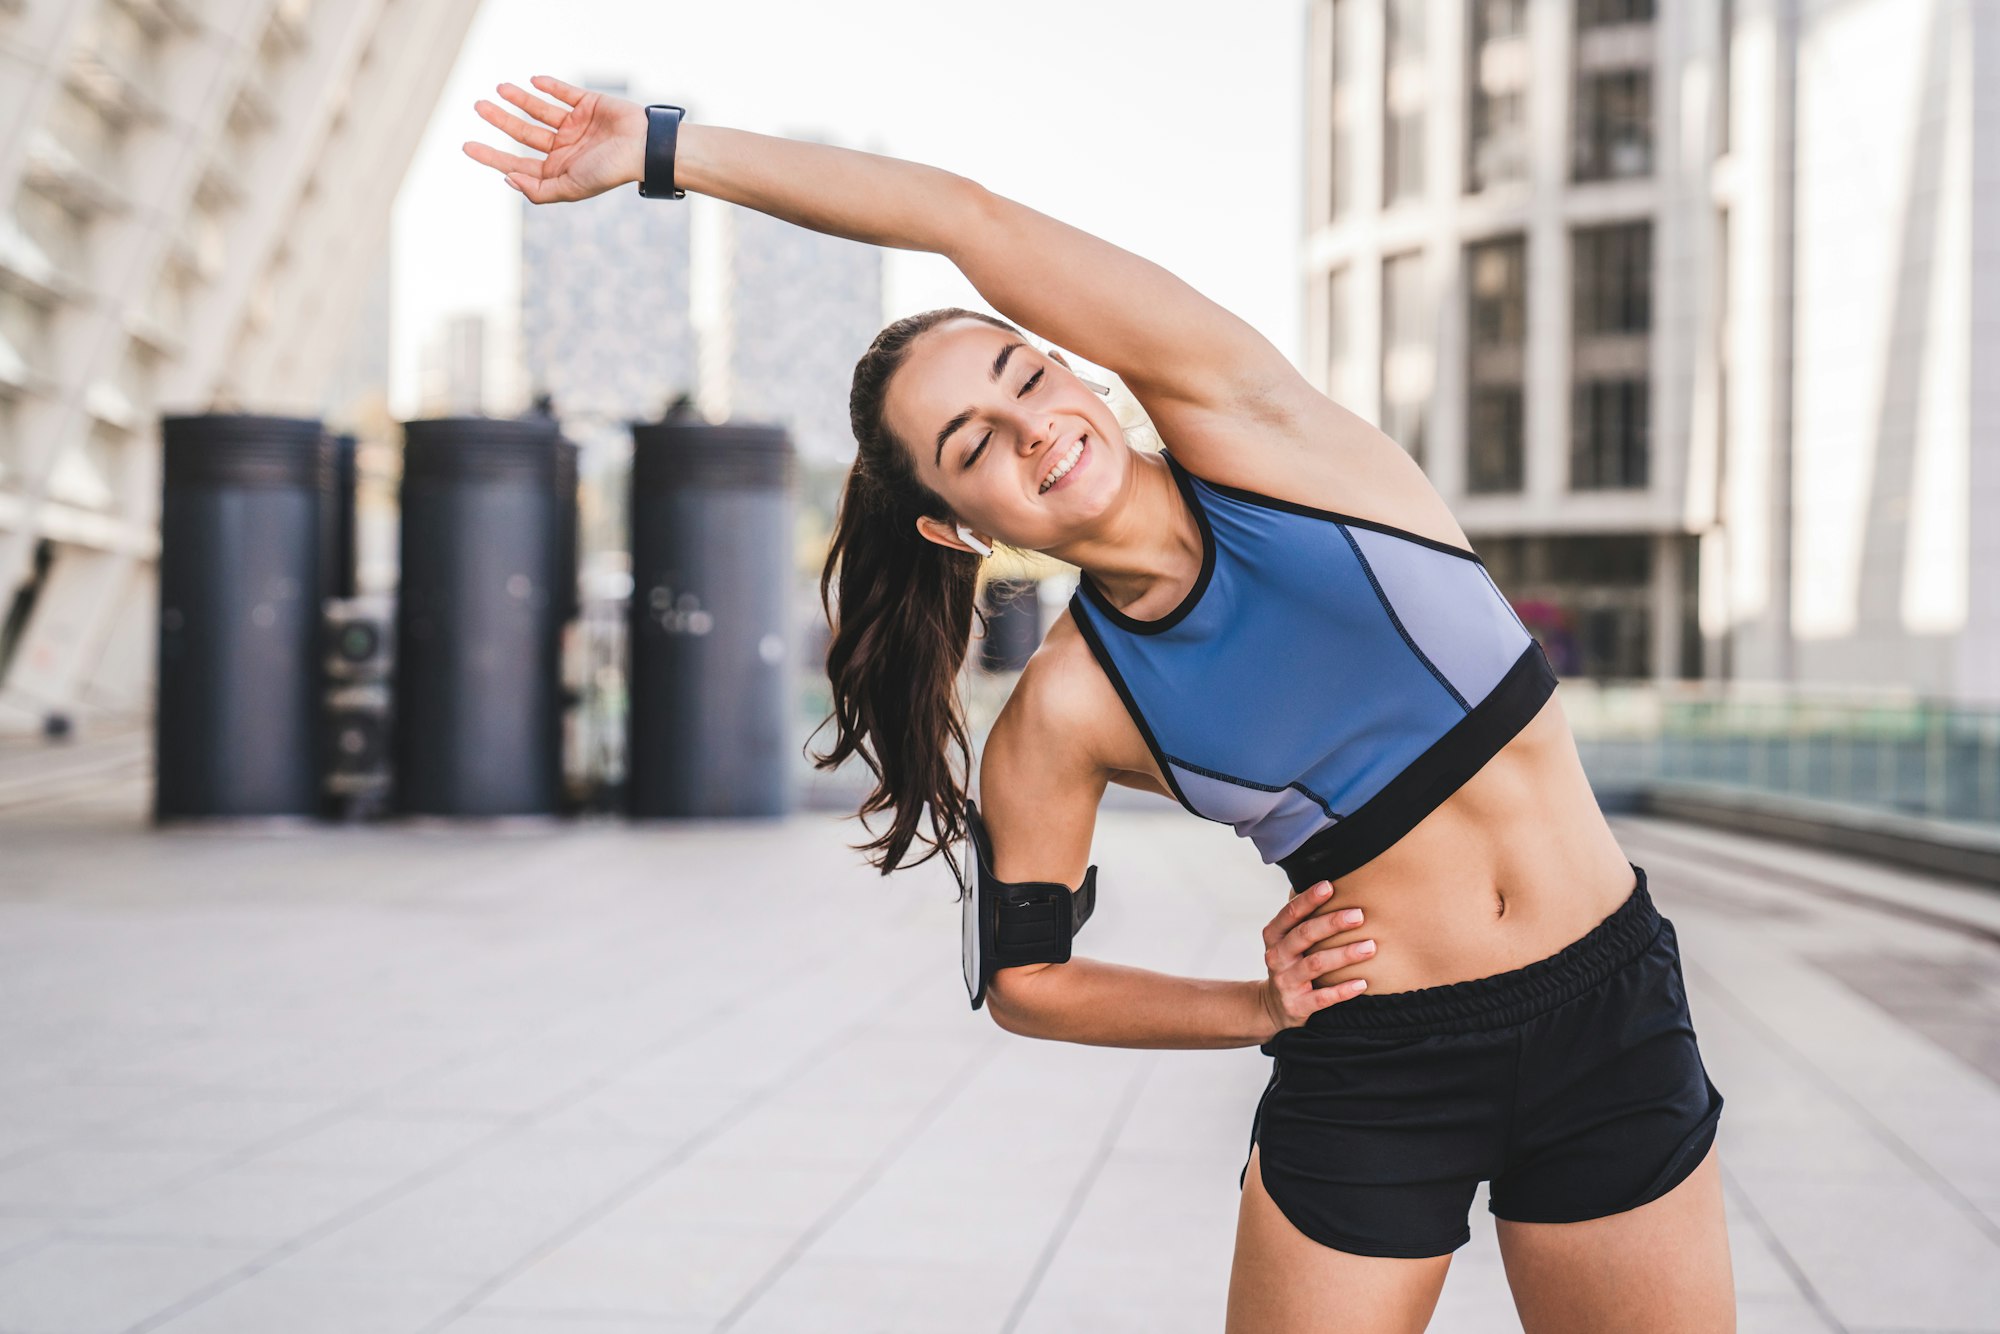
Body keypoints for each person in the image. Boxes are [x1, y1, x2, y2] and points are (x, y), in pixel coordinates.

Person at [465, 76, 1735, 1333]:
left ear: (1070, 361)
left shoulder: (1264, 432)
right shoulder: (1068, 710)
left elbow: (962, 215)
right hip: (1377, 1070)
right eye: (969, 445)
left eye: (1022, 376)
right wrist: (1250, 1008)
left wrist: (666, 151)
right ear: (956, 526)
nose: (1028, 426)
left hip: (1605, 1016)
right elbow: (1026, 981)